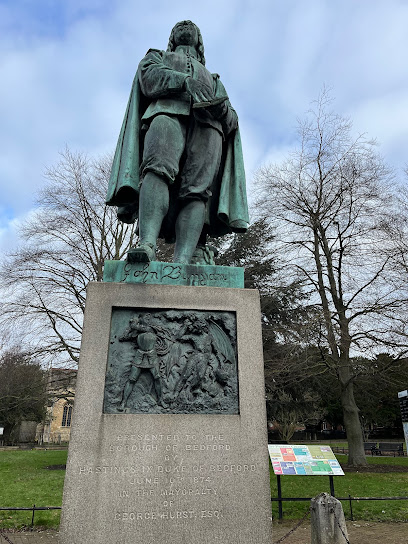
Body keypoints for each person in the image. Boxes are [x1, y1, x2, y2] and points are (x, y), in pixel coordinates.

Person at [106, 20, 249, 264]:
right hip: (166, 113)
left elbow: (232, 121)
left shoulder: (214, 79)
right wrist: (185, 82)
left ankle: (183, 260)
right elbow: (149, 78)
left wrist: (221, 108)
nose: (185, 25)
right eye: (179, 26)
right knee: (156, 169)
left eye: (191, 26)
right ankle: (147, 244)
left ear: (199, 41)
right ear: (172, 37)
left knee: (197, 192)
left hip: (208, 127)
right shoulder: (157, 56)